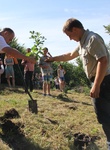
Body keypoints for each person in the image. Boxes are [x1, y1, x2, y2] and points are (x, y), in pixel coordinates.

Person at [45, 18, 110, 149]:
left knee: (105, 117)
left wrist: (96, 85)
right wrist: (52, 59)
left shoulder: (92, 39)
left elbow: (103, 61)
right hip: (103, 81)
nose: (69, 39)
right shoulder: (82, 42)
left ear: (75, 29)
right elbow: (69, 55)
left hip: (105, 82)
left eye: (69, 35)